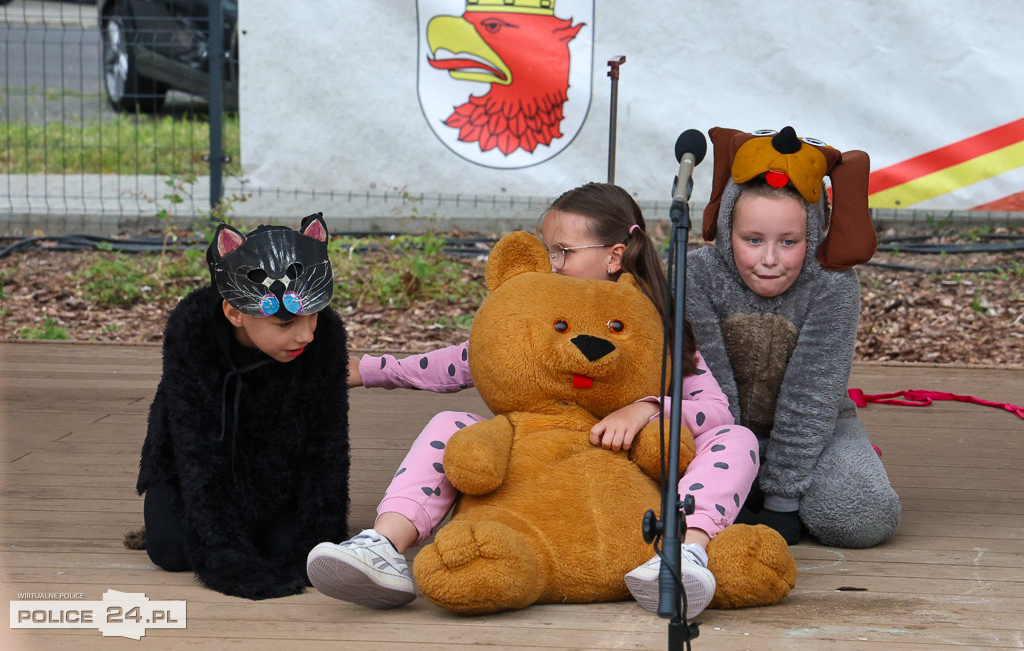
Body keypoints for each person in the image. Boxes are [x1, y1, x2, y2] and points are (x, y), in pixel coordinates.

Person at [306, 183, 761, 619]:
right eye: (549, 251)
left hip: (627, 471)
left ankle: (684, 552)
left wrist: (648, 407)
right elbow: (467, 360)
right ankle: (384, 546)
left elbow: (715, 409)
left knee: (736, 438)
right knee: (451, 423)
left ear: (614, 256)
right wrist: (370, 369)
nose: (554, 263)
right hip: (538, 457)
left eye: (564, 251)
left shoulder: (652, 323)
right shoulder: (539, 308)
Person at [686, 126, 901, 549]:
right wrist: (737, 484)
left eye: (789, 242)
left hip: (815, 432)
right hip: (717, 432)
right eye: (752, 240)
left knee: (865, 517)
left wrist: (781, 499)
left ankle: (798, 490)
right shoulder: (698, 275)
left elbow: (814, 393)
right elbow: (709, 384)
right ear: (728, 230)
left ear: (814, 233)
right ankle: (763, 492)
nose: (769, 260)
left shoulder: (832, 285)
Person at [136, 213, 351, 600]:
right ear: (235, 312)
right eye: (285, 324)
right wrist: (227, 558)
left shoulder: (325, 340)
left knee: (295, 549)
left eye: (312, 314)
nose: (306, 333)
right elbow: (194, 450)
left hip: (278, 471)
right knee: (170, 551)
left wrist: (321, 534)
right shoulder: (192, 337)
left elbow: (328, 446)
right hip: (198, 471)